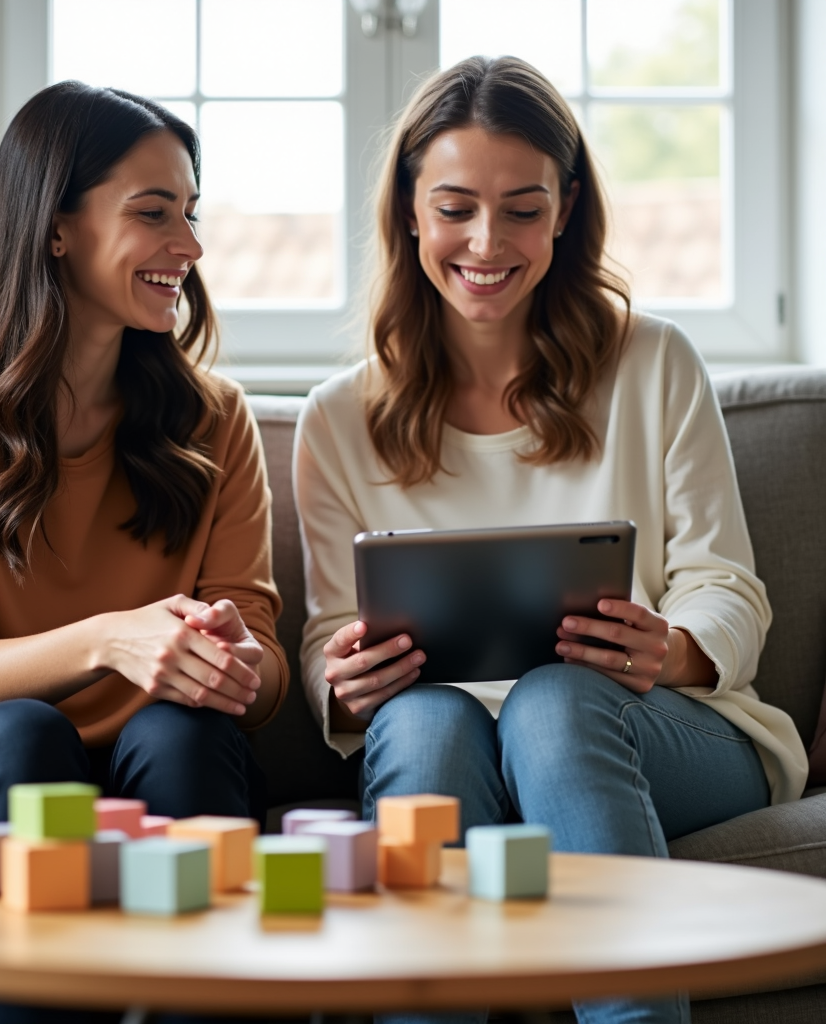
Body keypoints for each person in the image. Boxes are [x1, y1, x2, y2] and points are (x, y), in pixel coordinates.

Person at [294, 57, 807, 1024]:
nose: (487, 242)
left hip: (651, 727)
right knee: (423, 721)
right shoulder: (337, 419)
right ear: (408, 210)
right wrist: (344, 676)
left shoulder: (653, 363)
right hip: (438, 734)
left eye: (522, 209)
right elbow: (330, 635)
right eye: (455, 207)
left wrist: (677, 647)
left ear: (566, 209)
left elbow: (724, 582)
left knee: (554, 702)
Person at [0, 82, 286, 882]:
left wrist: (239, 664)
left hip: (142, 759)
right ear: (55, 231)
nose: (190, 244)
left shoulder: (214, 419)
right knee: (26, 735)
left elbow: (264, 675)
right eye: (153, 212)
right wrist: (111, 640)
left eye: (191, 212)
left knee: (189, 736)